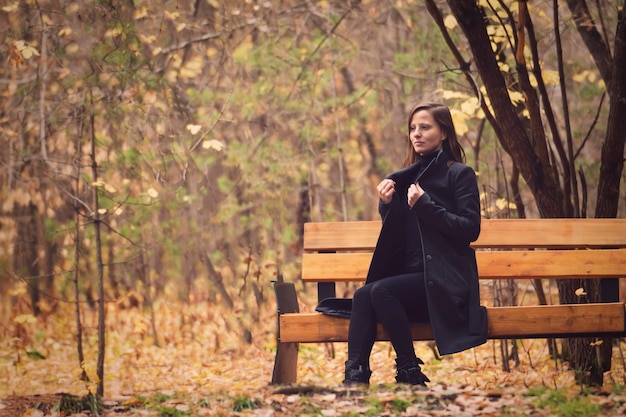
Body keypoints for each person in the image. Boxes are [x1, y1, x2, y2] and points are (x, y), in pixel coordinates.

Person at [343, 102, 488, 387]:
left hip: (445, 285)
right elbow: (401, 236)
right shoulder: (405, 179)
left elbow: (470, 230)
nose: (416, 134)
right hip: (411, 285)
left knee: (381, 290)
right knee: (363, 295)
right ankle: (354, 376)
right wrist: (387, 205)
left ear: (444, 132)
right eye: (412, 128)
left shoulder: (459, 174)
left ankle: (409, 371)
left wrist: (426, 206)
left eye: (425, 127)